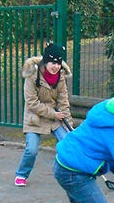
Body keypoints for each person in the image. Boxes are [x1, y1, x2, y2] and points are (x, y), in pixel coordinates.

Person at [14, 43, 73, 187]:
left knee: (67, 143)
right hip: (35, 116)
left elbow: (63, 101)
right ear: (45, 62)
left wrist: (69, 126)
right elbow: (31, 102)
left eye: (58, 63)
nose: (56, 67)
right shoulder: (32, 75)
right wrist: (53, 114)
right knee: (31, 150)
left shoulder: (60, 77)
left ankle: (70, 173)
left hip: (55, 118)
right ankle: (21, 174)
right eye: (53, 63)